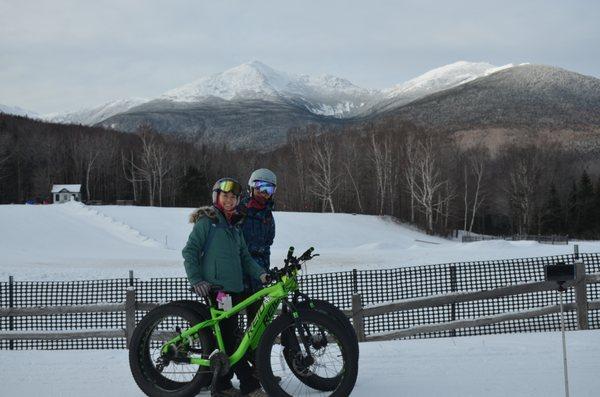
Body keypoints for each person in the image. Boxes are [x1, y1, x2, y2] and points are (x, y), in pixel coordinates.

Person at [182, 177, 269, 397]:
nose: (229, 201)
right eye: (225, 196)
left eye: (233, 197)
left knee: (227, 337)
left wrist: (261, 274)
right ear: (216, 197)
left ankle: (222, 384)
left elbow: (246, 258)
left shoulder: (234, 227)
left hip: (234, 290)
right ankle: (249, 386)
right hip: (217, 289)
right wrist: (196, 280)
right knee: (230, 339)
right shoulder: (207, 223)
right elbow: (190, 251)